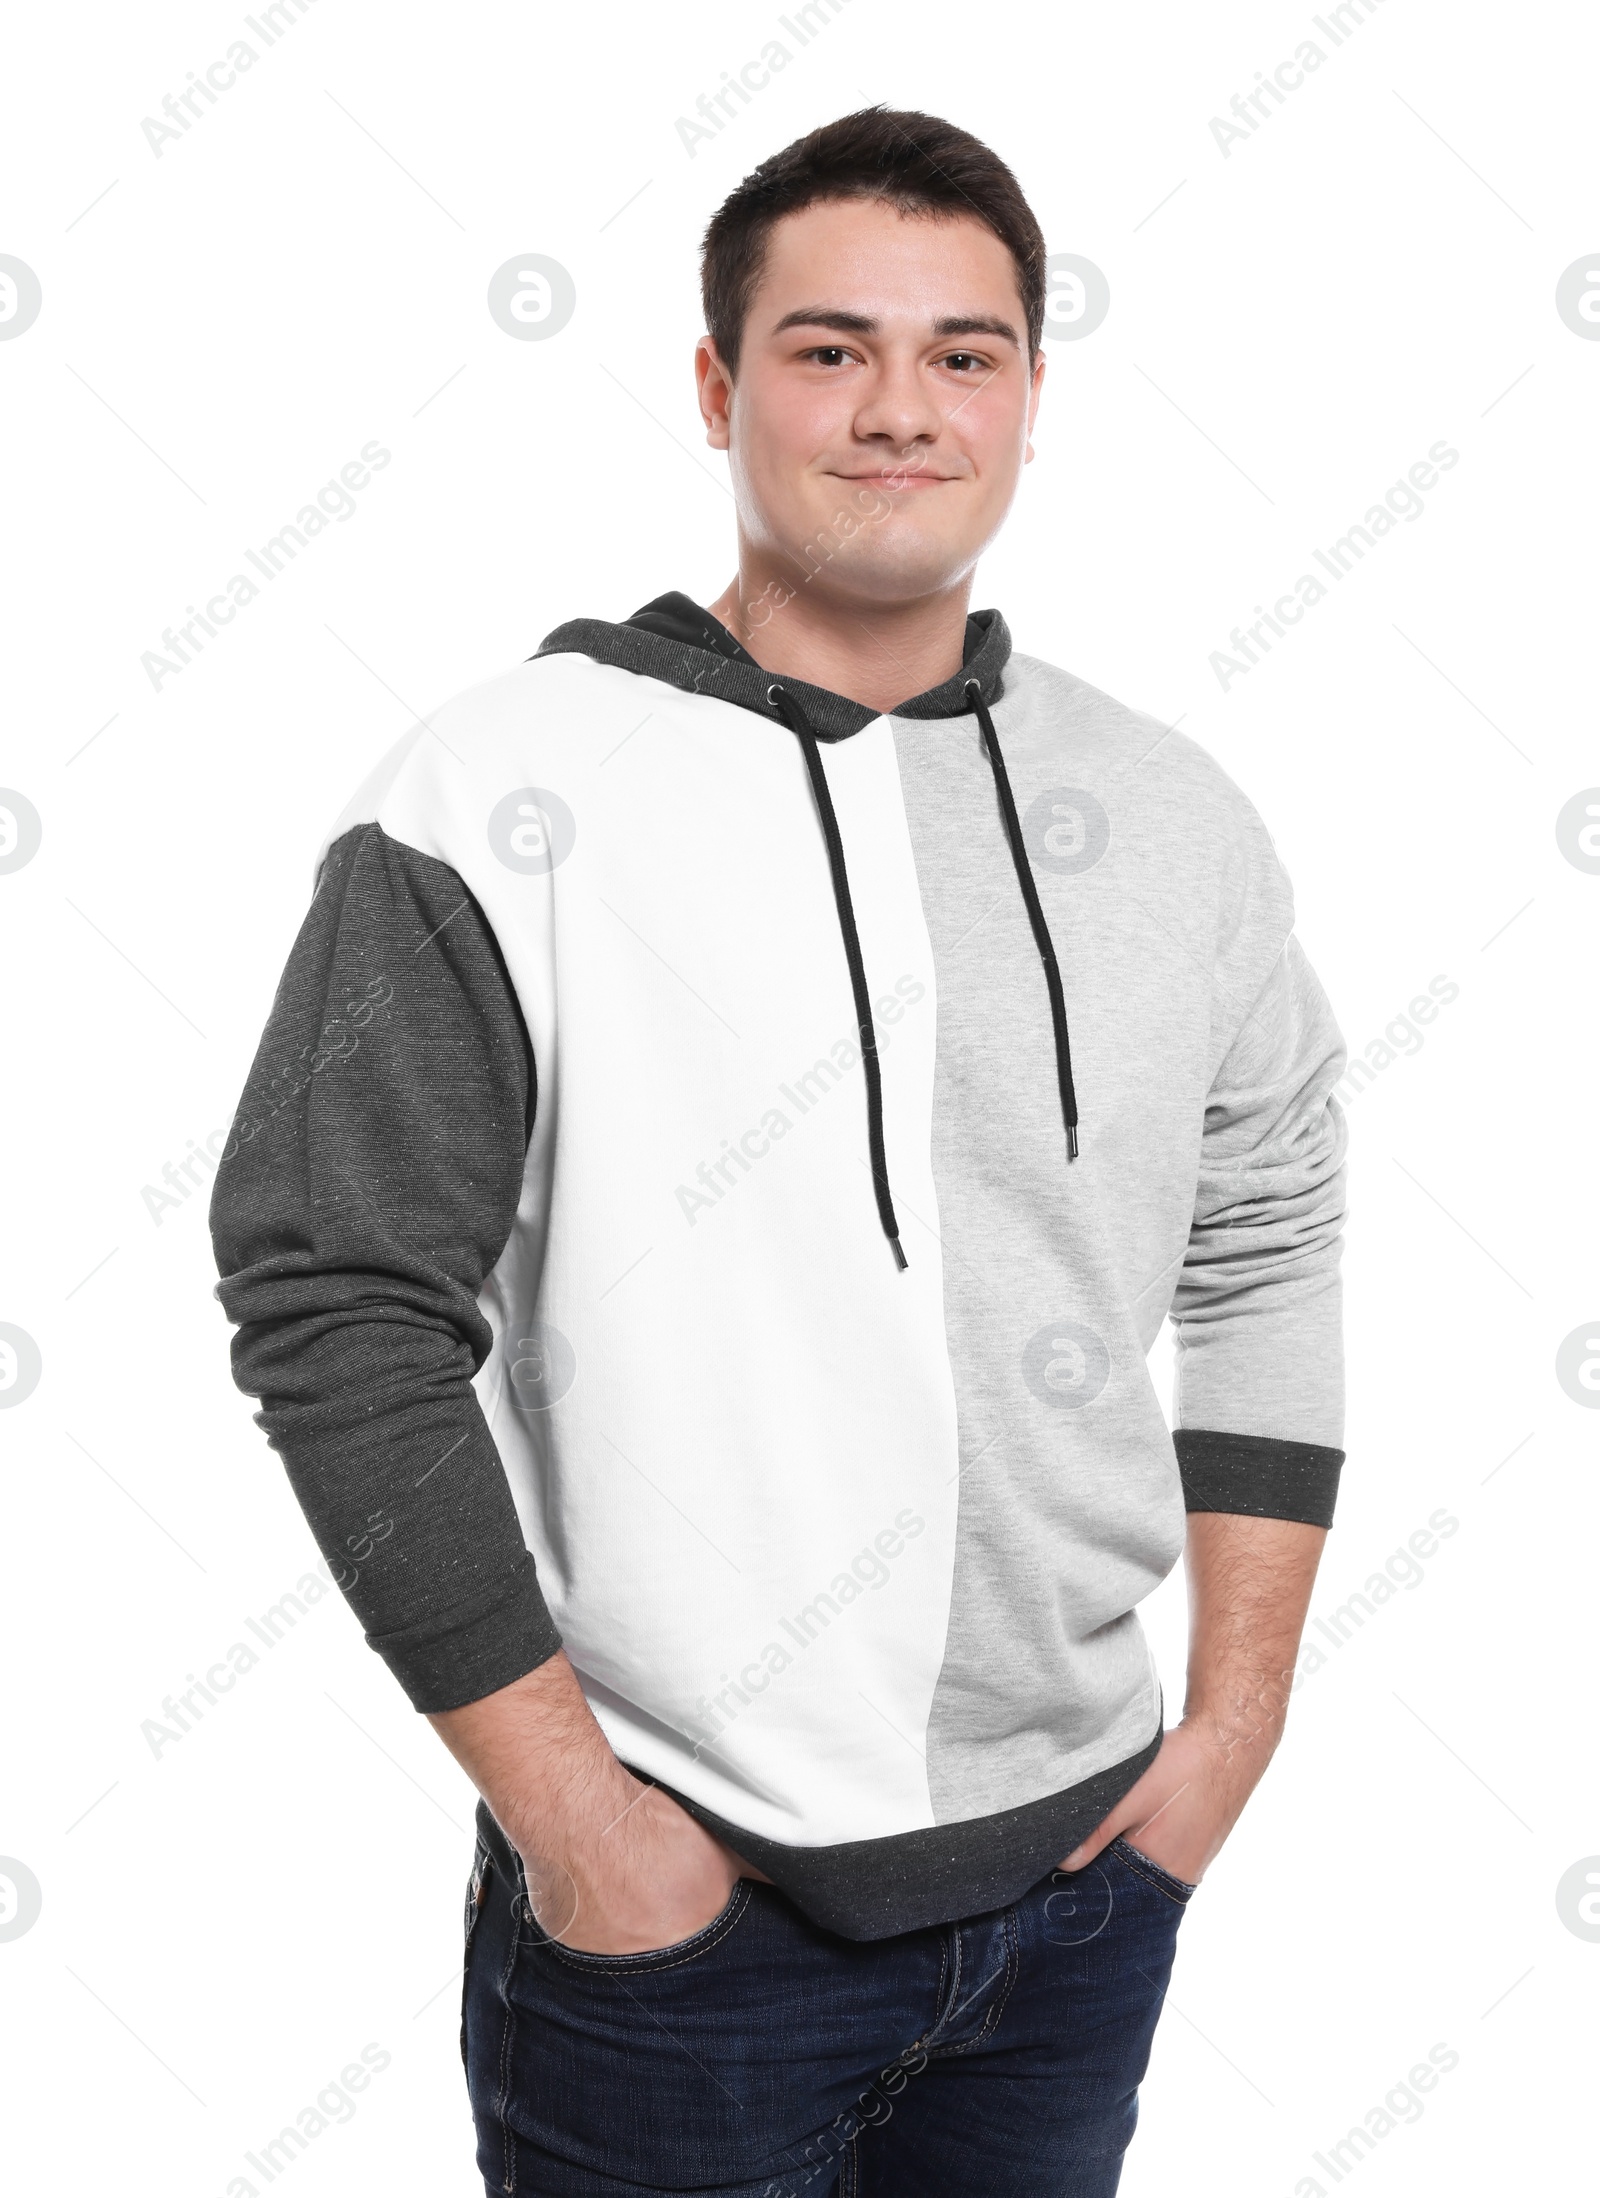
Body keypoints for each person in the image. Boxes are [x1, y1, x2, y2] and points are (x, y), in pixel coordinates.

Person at [209, 105, 1348, 2198]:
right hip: (679, 1931)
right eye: (828, 351)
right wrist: (585, 1831)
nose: (900, 409)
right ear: (720, 386)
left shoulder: (1170, 812)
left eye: (962, 353)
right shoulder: (498, 790)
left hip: (1085, 1882)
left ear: (1028, 395)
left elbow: (1266, 1235)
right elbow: (335, 1304)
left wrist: (1230, 1727)